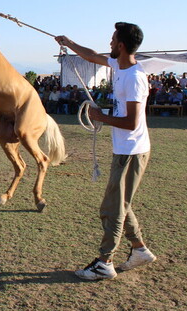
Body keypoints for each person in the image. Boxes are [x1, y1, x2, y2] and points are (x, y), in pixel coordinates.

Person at [56, 22, 157, 281]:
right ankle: (139, 250)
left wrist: (101, 116)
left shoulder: (134, 78)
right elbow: (91, 55)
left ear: (121, 45)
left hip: (131, 152)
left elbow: (132, 122)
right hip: (125, 149)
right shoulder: (118, 65)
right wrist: (68, 43)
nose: (109, 44)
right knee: (120, 204)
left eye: (112, 40)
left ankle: (105, 262)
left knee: (112, 208)